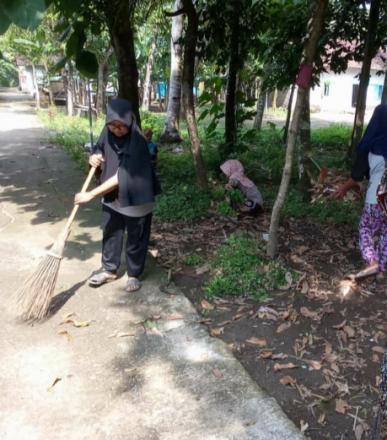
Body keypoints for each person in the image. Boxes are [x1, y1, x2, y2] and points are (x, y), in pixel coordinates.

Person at [74, 98, 160, 292]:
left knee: (136, 237)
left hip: (136, 197)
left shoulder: (137, 142)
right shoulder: (107, 132)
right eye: (112, 126)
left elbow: (122, 176)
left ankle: (133, 274)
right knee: (111, 231)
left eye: (121, 126)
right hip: (113, 196)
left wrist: (91, 194)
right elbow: (99, 148)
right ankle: (109, 270)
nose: (117, 130)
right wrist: (94, 156)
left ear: (130, 122)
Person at [333, 104, 387, 278]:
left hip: (378, 199)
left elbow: (357, 174)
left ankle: (372, 262)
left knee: (366, 227)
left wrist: (344, 187)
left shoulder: (372, 147)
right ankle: (383, 268)